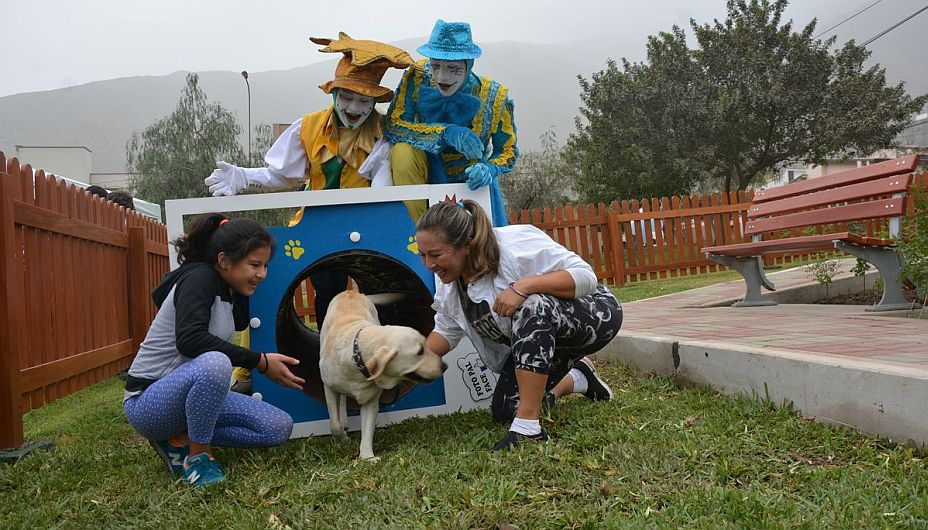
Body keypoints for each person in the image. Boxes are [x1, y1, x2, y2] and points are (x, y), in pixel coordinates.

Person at [203, 34, 414, 393]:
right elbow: (280, 174)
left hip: (365, 226)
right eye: (346, 96)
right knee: (318, 291)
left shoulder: (383, 133)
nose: (352, 106)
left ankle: (375, 356)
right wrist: (244, 176)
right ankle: (256, 370)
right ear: (333, 95)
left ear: (372, 103)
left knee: (368, 287)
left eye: (362, 100)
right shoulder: (309, 127)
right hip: (315, 226)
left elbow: (383, 187)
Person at [416, 200, 622, 451]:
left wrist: (522, 287)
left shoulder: (513, 246)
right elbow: (445, 331)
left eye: (435, 255)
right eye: (423, 255)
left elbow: (586, 277)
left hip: (594, 313)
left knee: (531, 305)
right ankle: (578, 377)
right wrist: (406, 361)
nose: (428, 264)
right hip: (543, 343)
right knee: (506, 410)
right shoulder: (450, 284)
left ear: (466, 244)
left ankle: (529, 430)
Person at [123, 214, 304, 487]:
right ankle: (198, 459)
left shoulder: (230, 290)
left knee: (278, 427)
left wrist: (244, 288)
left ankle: (178, 439)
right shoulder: (199, 279)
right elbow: (191, 340)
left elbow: (241, 321)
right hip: (148, 401)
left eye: (265, 265)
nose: (262, 274)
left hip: (192, 398)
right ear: (223, 261)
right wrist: (261, 362)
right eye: (254, 265)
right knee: (215, 362)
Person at [385, 20, 518, 227]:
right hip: (424, 175)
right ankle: (420, 229)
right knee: (402, 152)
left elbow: (507, 151)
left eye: (452, 68)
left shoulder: (495, 97)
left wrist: (488, 169)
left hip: (471, 186)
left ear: (468, 64)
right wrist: (444, 132)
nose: (441, 77)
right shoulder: (417, 76)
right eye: (435, 65)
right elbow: (393, 125)